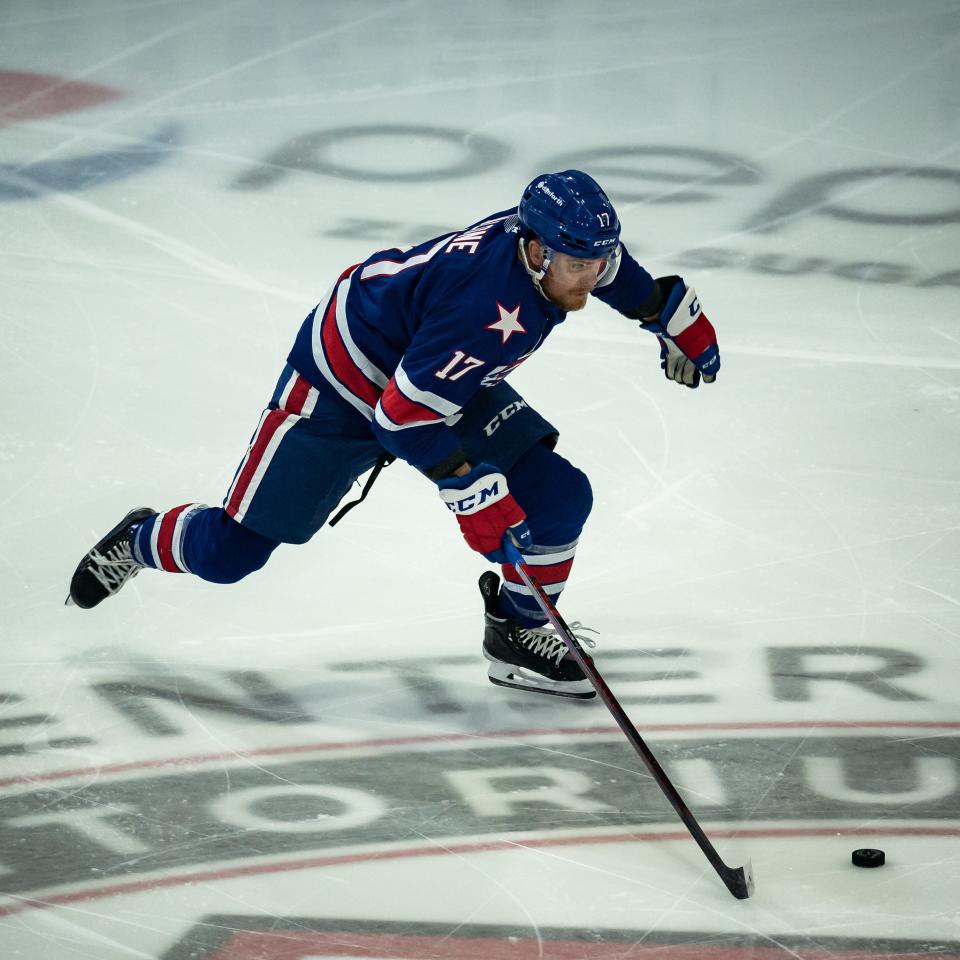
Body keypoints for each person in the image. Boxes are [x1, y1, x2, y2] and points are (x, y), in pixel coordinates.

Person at [66, 170, 720, 700]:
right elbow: (402, 417)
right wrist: (471, 492)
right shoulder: (487, 305)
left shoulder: (565, 252)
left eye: (594, 260)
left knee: (558, 497)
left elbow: (621, 278)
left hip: (431, 373)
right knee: (232, 553)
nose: (589, 275)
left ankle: (517, 633)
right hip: (346, 382)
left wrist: (670, 315)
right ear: (537, 247)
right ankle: (140, 537)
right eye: (577, 263)